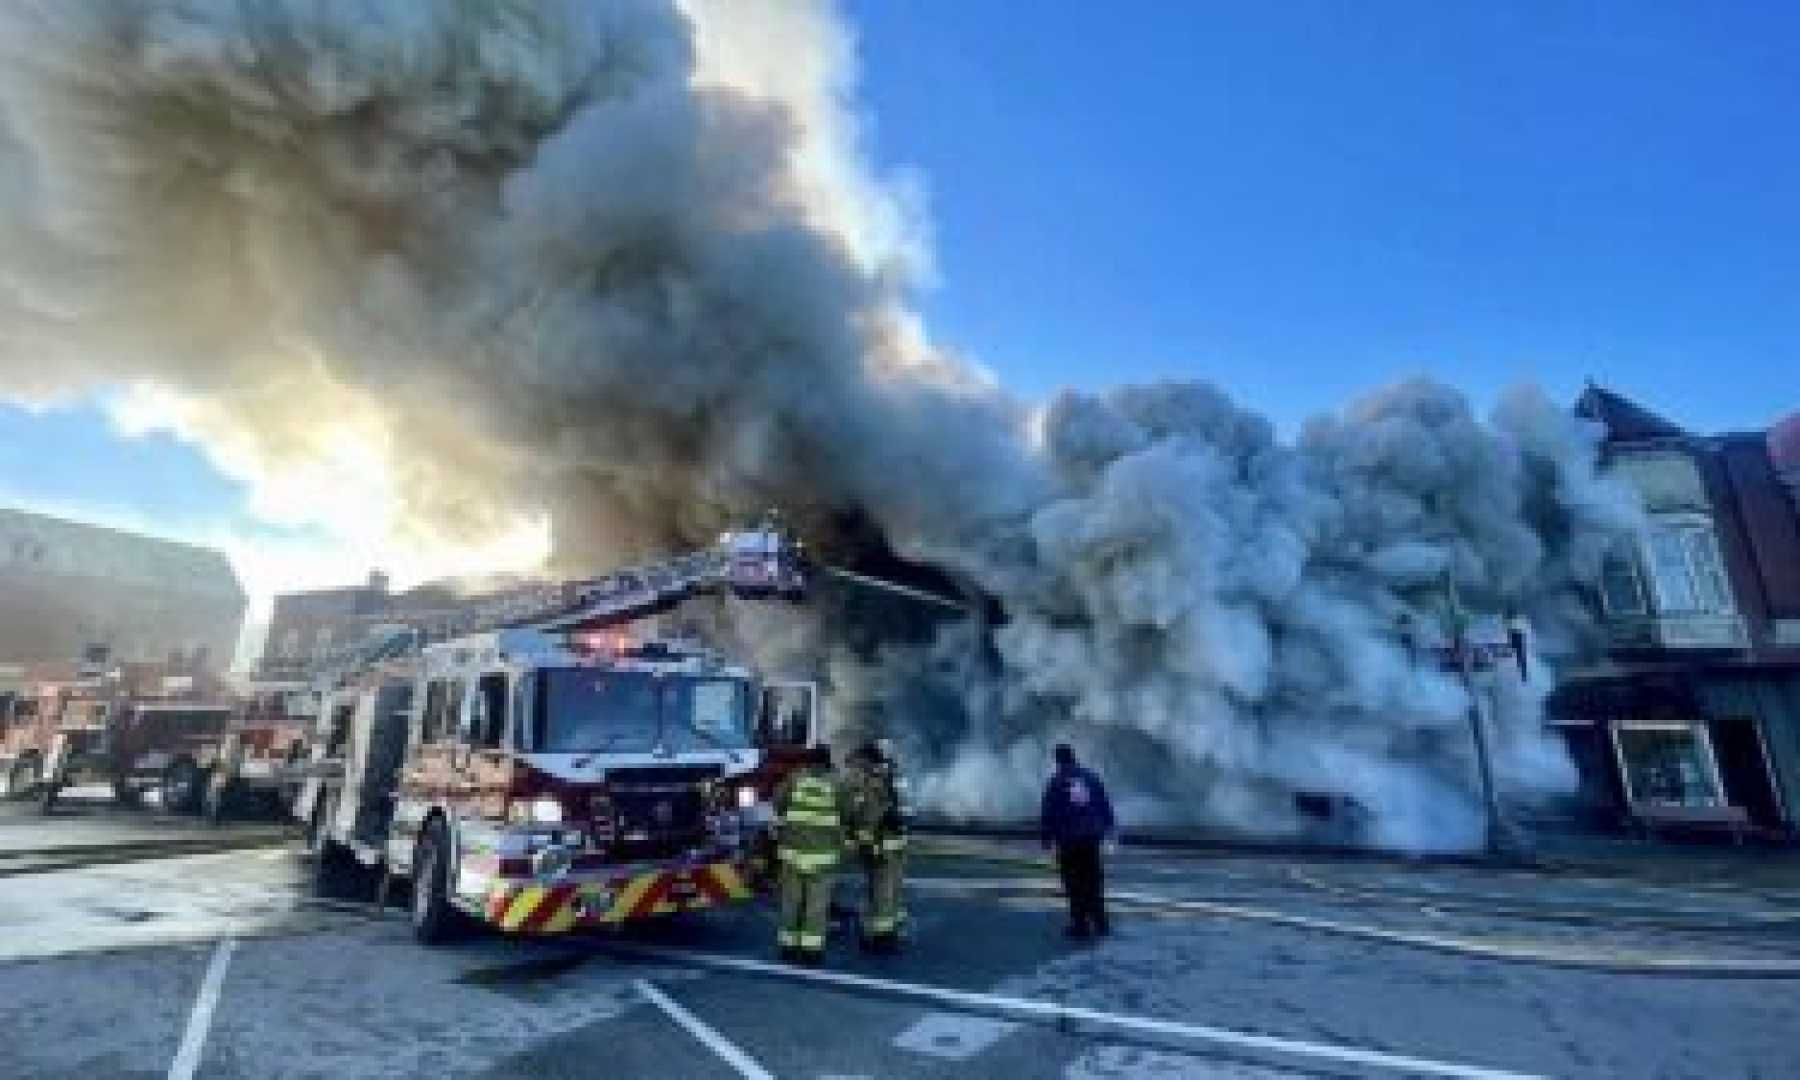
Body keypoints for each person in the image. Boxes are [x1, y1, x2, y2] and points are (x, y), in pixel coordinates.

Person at [773, 744, 843, 964]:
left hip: (793, 853)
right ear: (826, 763)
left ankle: (788, 945)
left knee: (791, 901)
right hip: (822, 856)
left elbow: (778, 803)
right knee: (816, 904)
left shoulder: (794, 779)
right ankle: (811, 950)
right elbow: (848, 812)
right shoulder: (836, 784)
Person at [1039, 743, 1115, 939]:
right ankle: (1100, 922)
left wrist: (1046, 839)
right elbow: (1104, 804)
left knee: (1073, 882)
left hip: (1069, 841)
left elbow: (1049, 813)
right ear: (1074, 756)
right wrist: (1108, 830)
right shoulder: (1091, 778)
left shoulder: (1056, 782)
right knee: (1093, 880)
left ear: (1058, 760)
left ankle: (1080, 924)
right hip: (1091, 839)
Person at [844, 740, 908, 953]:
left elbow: (868, 816)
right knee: (883, 892)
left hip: (888, 844)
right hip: (884, 845)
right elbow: (868, 817)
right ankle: (880, 935)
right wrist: (868, 844)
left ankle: (883, 933)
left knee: (885, 892)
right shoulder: (878, 780)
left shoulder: (879, 780)